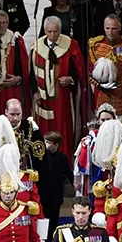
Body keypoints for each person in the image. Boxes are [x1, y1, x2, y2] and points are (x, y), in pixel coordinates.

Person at [32, 15, 86, 159]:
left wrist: (71, 79)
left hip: (62, 100)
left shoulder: (71, 45)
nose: (52, 35)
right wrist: (34, 93)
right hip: (43, 102)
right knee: (43, 132)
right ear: (45, 31)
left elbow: (79, 73)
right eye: (49, 32)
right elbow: (30, 75)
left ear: (60, 30)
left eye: (55, 31)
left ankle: (64, 161)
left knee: (63, 130)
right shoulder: (36, 47)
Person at [88, 15, 122, 133]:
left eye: (113, 28)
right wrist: (98, 85)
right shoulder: (95, 46)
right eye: (107, 28)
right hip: (102, 95)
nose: (110, 32)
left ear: (119, 28)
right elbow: (89, 72)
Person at [35, 130, 70, 231]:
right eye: (45, 141)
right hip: (42, 194)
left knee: (54, 220)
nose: (45, 144)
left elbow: (67, 173)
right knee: (42, 219)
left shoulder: (62, 158)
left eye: (48, 142)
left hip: (56, 195)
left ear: (56, 145)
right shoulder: (41, 158)